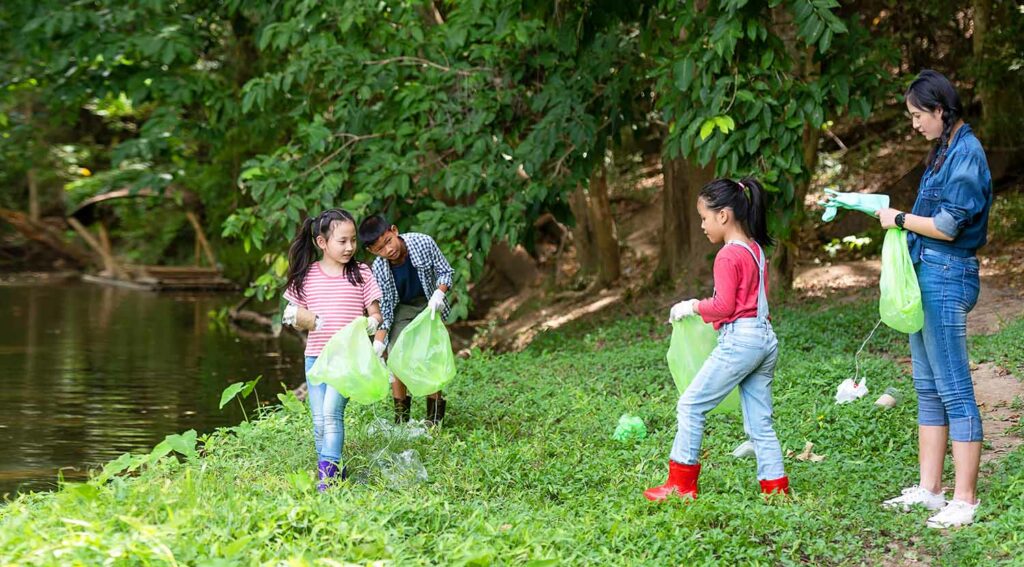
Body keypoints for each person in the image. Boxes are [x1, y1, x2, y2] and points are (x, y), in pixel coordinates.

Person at [878, 69, 992, 528]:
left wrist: (899, 219)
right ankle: (930, 490)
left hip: (948, 276)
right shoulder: (943, 150)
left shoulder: (968, 153)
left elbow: (946, 226)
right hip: (927, 275)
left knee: (954, 388)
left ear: (940, 111)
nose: (914, 124)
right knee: (927, 387)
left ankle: (964, 498)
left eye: (917, 115)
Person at [644, 177, 789, 501]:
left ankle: (681, 485)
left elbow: (724, 305)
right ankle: (776, 489)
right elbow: (751, 301)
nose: (702, 225)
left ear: (723, 215)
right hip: (764, 339)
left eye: (705, 218)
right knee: (759, 423)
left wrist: (691, 306)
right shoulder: (754, 249)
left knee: (691, 405)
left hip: (741, 342)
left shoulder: (727, 256)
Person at [281, 209, 383, 491]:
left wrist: (369, 327)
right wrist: (300, 318)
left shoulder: (361, 272)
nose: (350, 247)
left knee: (331, 413)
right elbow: (290, 314)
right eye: (342, 241)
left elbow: (376, 314)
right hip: (315, 356)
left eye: (353, 240)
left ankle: (327, 481)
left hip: (347, 359)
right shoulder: (307, 275)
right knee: (318, 421)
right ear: (322, 243)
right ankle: (334, 465)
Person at [357, 215, 454, 425]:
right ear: (372, 251)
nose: (388, 250)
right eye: (380, 249)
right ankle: (401, 419)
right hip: (400, 308)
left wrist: (440, 293)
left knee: (430, 355)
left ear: (394, 230)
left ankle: (434, 418)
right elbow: (387, 307)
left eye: (388, 241)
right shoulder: (379, 268)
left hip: (428, 302)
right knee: (395, 358)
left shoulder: (423, 242)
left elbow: (445, 271)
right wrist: (379, 342)